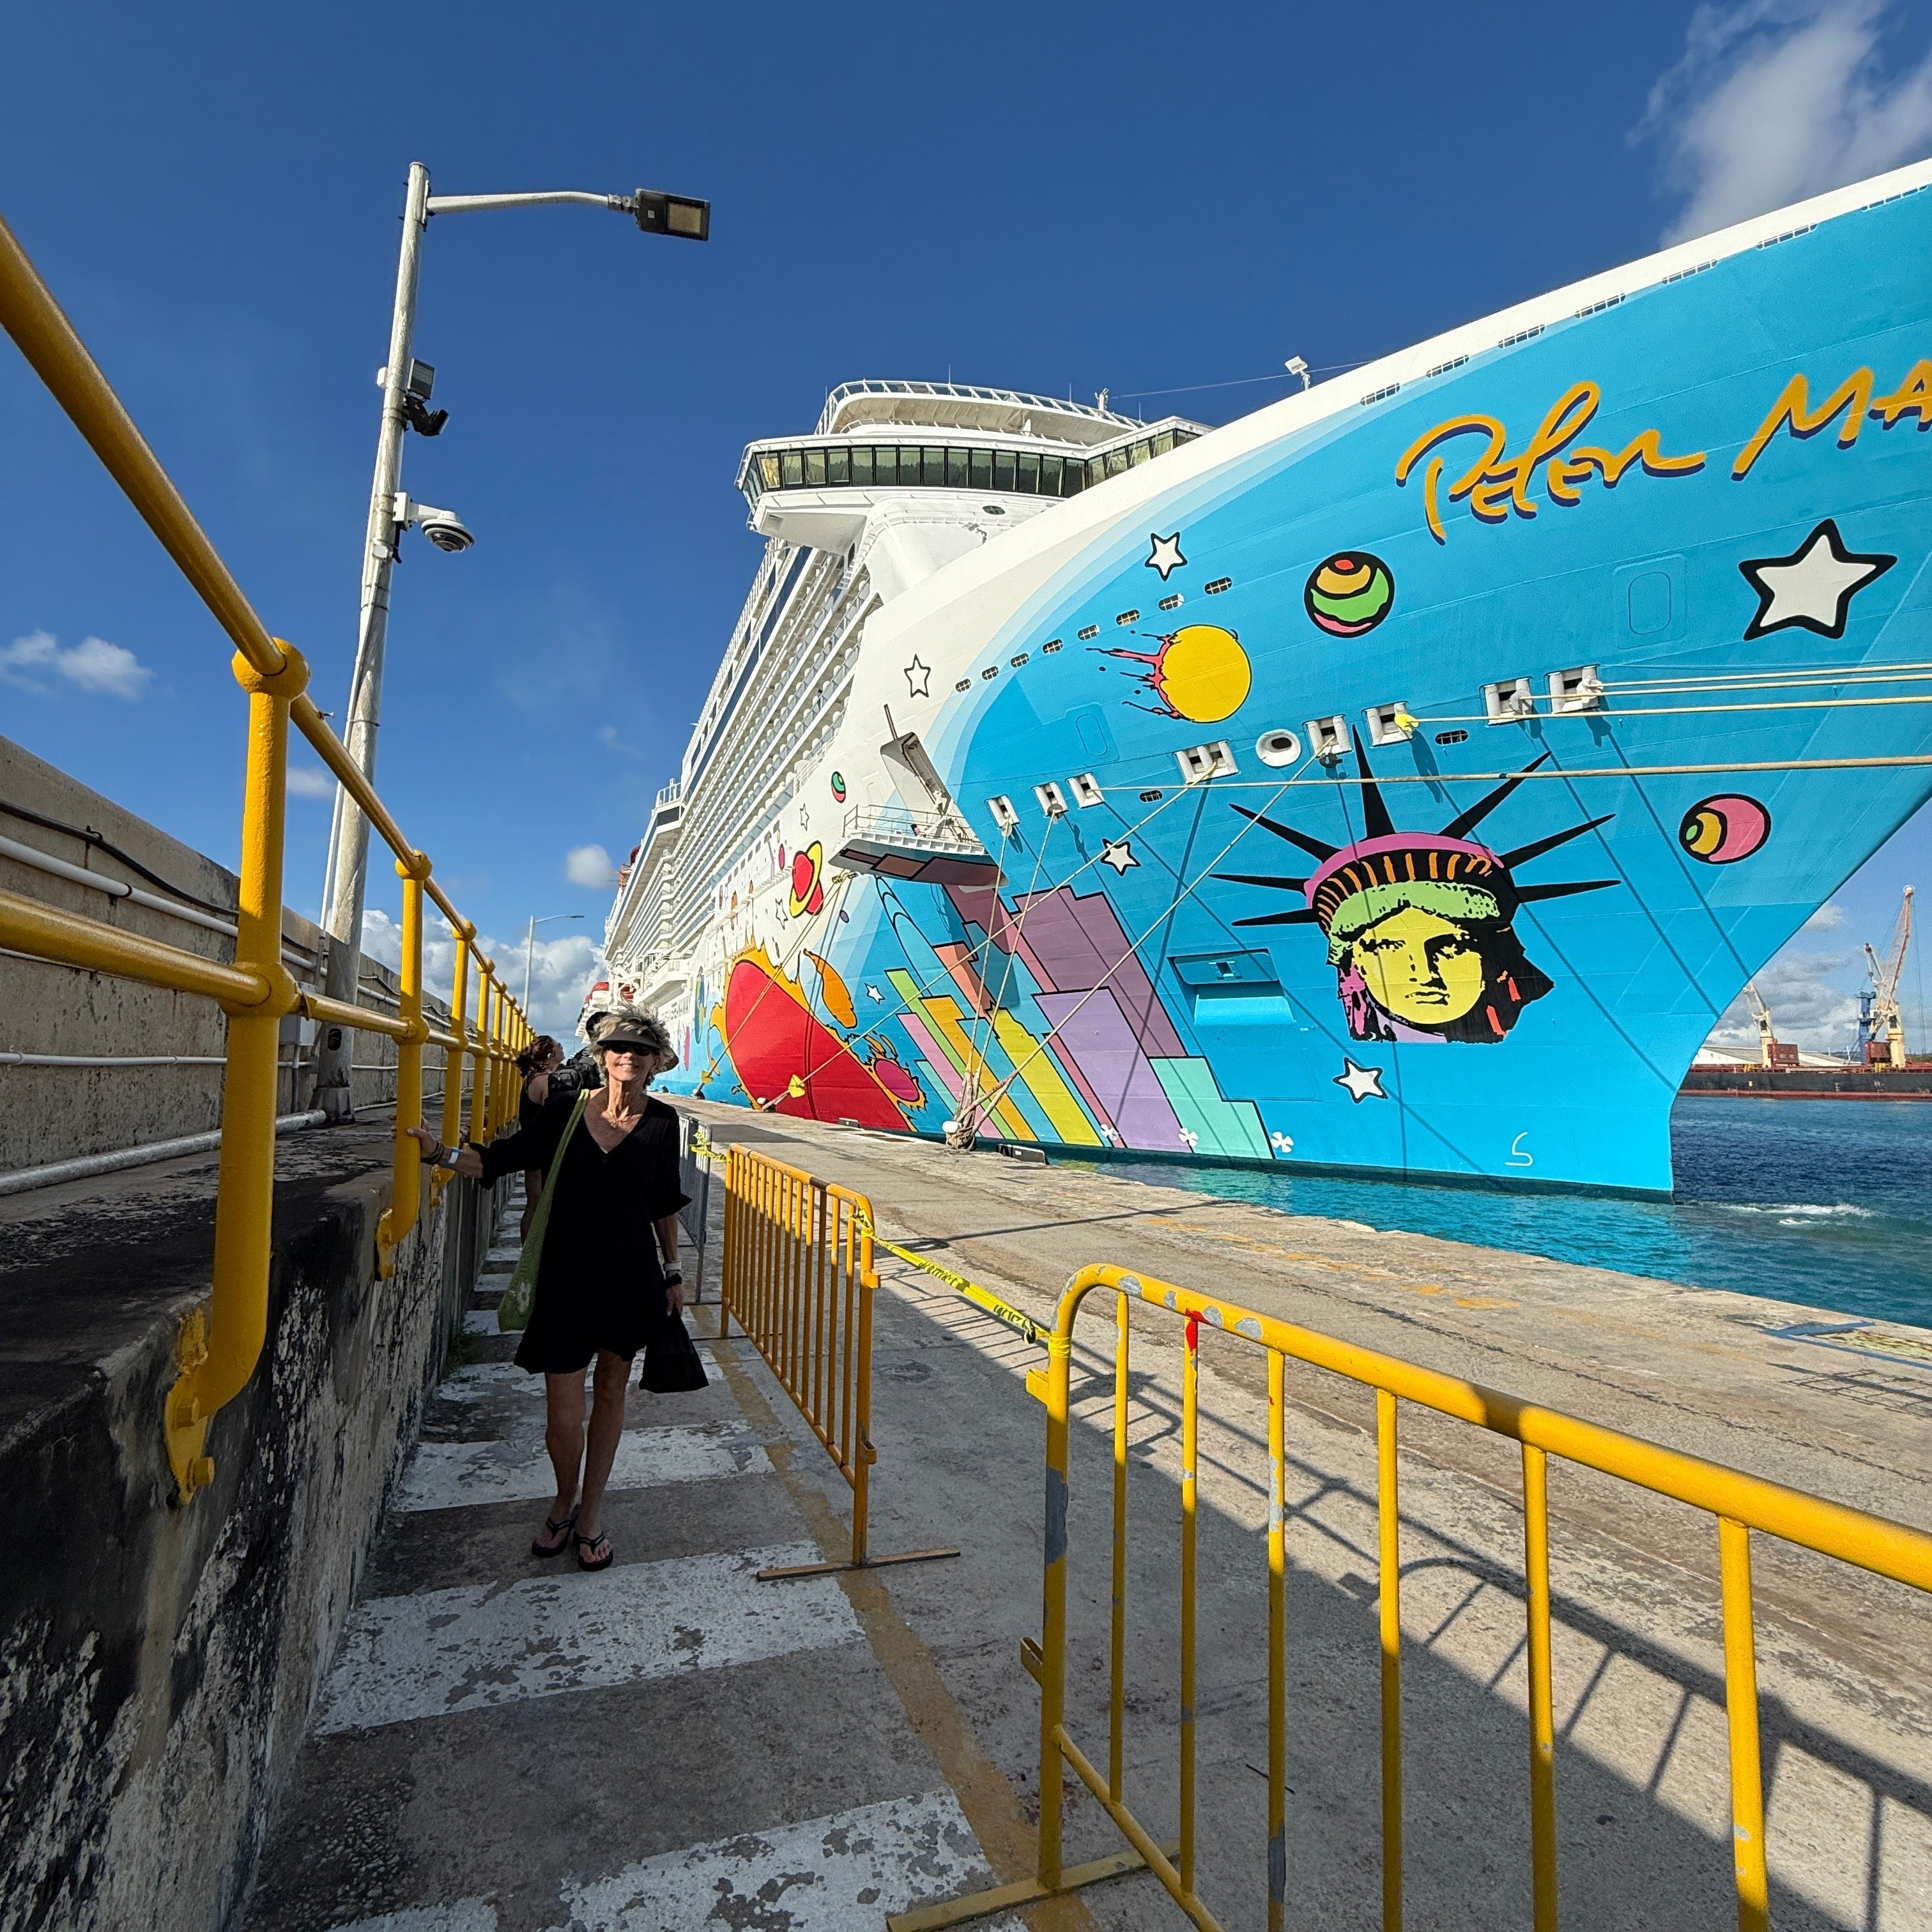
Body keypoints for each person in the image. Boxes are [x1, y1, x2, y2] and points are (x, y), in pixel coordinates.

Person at [409, 1004, 687, 1572]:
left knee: (611, 1393)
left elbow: (663, 1202)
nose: (626, 1056)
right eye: (616, 1047)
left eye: (639, 1049)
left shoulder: (662, 1122)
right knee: (562, 1406)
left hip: (631, 1278)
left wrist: (674, 1271)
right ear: (601, 1057)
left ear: (656, 1061)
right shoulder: (565, 1110)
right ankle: (565, 1499)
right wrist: (441, 1155)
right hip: (566, 1276)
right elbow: (507, 1157)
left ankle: (590, 1516)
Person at [513, 1035, 565, 1241]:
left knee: (533, 1204)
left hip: (532, 1149)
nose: (562, 1048)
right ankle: (536, 1254)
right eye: (558, 1046)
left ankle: (527, 1252)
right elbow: (554, 1118)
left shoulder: (533, 1078)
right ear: (551, 1055)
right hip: (543, 1152)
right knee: (541, 1206)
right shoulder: (545, 1081)